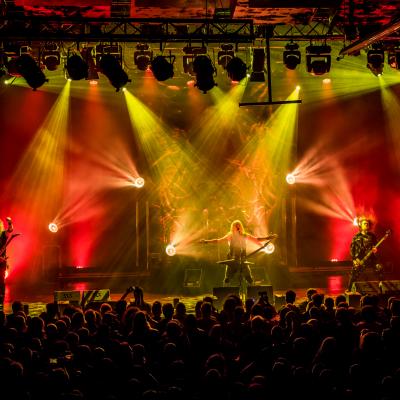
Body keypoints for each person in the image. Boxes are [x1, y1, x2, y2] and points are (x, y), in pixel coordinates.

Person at [200, 219, 275, 285]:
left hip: (242, 257)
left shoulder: (244, 235)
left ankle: (250, 283)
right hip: (232, 257)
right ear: (233, 227)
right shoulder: (230, 235)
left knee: (247, 274)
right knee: (229, 274)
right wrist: (206, 241)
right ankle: (227, 284)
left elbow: (256, 239)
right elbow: (218, 240)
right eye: (236, 226)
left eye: (238, 226)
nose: (237, 228)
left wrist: (267, 238)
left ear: (241, 227)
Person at [347, 216, 383, 292]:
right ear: (360, 225)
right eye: (364, 223)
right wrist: (354, 259)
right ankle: (349, 290)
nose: (366, 225)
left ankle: (382, 287)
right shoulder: (356, 237)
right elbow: (352, 249)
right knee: (354, 273)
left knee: (379, 268)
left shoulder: (372, 236)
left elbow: (376, 246)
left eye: (367, 224)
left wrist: (376, 250)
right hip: (360, 260)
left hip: (371, 258)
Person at [0, 217, 14, 305]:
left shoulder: (3, 234)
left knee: (1, 280)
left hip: (1, 261)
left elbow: (10, 230)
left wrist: (10, 222)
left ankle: (1, 298)